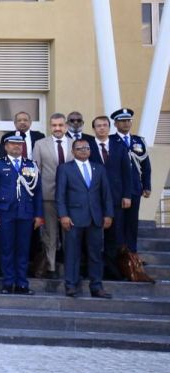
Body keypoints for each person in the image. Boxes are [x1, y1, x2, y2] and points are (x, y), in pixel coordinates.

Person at [56, 138, 114, 298]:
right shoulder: (65, 169)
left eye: (86, 148)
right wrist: (63, 215)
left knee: (95, 254)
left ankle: (96, 286)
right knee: (72, 253)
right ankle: (71, 285)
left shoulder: (99, 168)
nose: (83, 150)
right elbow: (60, 194)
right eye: (79, 148)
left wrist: (108, 214)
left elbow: (106, 194)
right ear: (73, 151)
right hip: (73, 218)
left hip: (95, 218)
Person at [0, 136, 44, 294]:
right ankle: (7, 282)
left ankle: (22, 284)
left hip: (26, 213)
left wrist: (39, 214)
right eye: (12, 144)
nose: (16, 147)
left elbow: (38, 192)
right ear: (6, 147)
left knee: (23, 249)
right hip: (5, 212)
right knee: (6, 248)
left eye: (19, 144)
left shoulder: (31, 165)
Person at [87, 115, 132, 279]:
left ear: (109, 127)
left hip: (116, 199)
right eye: (98, 126)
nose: (102, 128)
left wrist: (127, 195)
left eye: (105, 125)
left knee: (114, 236)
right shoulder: (88, 147)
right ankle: (94, 270)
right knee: (93, 238)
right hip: (93, 200)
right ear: (93, 129)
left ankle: (112, 271)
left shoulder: (119, 147)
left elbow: (127, 173)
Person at [31, 113, 72, 279]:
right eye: (54, 125)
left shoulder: (75, 144)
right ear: (50, 126)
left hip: (71, 197)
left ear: (66, 126)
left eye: (60, 125)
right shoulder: (40, 144)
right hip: (48, 195)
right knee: (50, 234)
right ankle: (51, 267)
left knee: (69, 234)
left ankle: (70, 267)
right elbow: (36, 171)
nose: (57, 128)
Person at [110, 108, 150, 253]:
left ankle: (132, 254)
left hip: (134, 187)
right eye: (122, 121)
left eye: (128, 120)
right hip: (117, 189)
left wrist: (147, 185)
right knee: (118, 223)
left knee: (132, 223)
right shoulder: (111, 141)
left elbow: (146, 165)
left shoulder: (138, 141)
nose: (126, 123)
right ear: (115, 124)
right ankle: (120, 254)